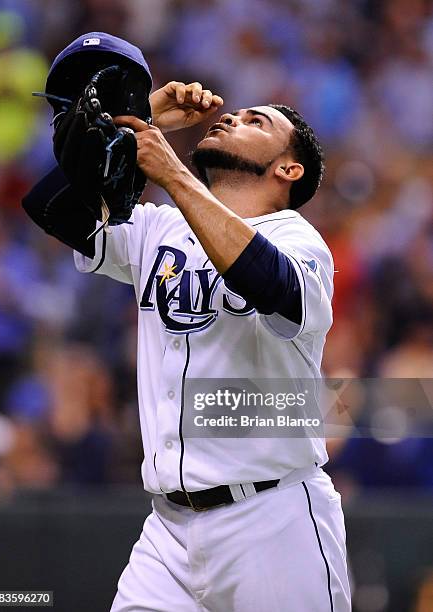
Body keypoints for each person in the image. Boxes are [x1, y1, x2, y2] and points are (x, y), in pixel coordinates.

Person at [25, 80, 351, 611]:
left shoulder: (298, 239)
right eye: (234, 114)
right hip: (167, 532)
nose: (231, 118)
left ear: (287, 170)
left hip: (272, 519)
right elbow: (49, 207)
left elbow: (270, 282)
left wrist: (172, 172)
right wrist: (135, 120)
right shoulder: (160, 228)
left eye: (255, 122)